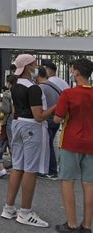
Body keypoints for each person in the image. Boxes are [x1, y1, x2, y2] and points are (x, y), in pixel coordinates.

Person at [1, 54, 56, 228]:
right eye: (34, 63)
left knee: (18, 166)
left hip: (17, 125)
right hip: (32, 127)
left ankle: (8, 207)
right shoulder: (33, 88)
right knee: (30, 170)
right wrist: (57, 106)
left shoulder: (15, 85)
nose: (37, 66)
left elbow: (14, 109)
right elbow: (39, 116)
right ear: (28, 67)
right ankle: (25, 211)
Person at [53, 58, 93, 233]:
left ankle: (71, 224)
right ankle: (87, 225)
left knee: (67, 181)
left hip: (70, 141)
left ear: (76, 72)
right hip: (91, 143)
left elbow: (57, 118)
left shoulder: (68, 94)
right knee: (89, 184)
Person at [36, 66, 63, 180]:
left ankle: (51, 170)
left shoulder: (40, 88)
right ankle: (50, 169)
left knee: (47, 146)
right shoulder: (55, 86)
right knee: (49, 144)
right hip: (56, 119)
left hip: (46, 119)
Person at [0, 74, 17, 157]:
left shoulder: (6, 94)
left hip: (8, 119)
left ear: (8, 83)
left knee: (6, 139)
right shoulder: (18, 91)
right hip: (18, 118)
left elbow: (5, 109)